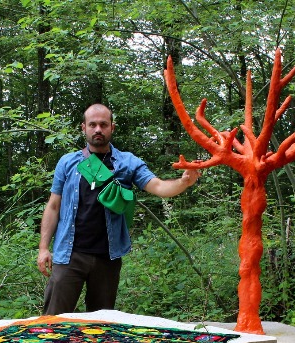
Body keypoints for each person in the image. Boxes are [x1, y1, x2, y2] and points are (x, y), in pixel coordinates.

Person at [37, 103, 201, 315]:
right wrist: (43, 248)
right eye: (92, 124)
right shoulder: (68, 162)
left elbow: (159, 187)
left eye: (103, 124)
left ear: (112, 127)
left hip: (108, 258)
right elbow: (53, 206)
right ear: (83, 128)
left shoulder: (128, 163)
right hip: (69, 255)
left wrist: (184, 182)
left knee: (101, 325)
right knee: (53, 321)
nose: (98, 129)